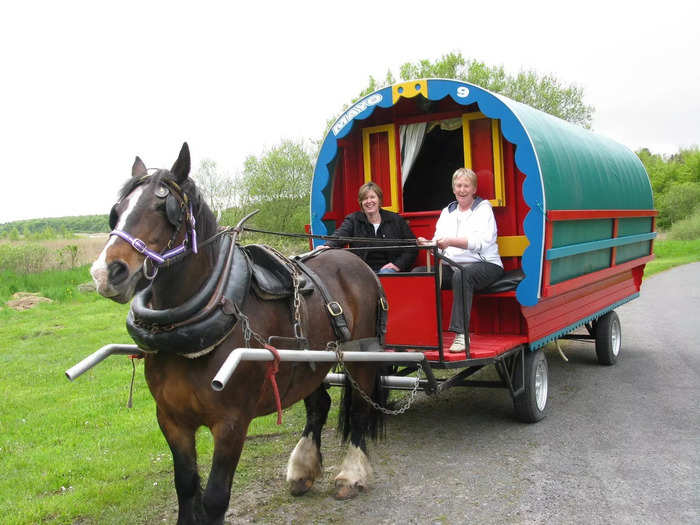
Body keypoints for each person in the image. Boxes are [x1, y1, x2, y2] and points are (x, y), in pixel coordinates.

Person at [417, 168, 503, 352]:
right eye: (458, 185)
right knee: (420, 274)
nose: (462, 190)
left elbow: (481, 242)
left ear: (474, 189)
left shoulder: (483, 209)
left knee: (462, 276)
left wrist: (450, 242)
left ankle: (461, 335)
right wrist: (429, 244)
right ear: (453, 188)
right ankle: (423, 331)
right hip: (452, 266)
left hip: (486, 265)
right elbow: (439, 242)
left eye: (466, 186)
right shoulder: (447, 212)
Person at [325, 181, 417, 273]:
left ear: (379, 200)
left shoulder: (396, 220)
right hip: (362, 270)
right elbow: (339, 236)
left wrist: (398, 265)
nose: (369, 201)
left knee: (386, 274)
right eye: (365, 198)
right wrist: (327, 246)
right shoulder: (353, 220)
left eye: (372, 197)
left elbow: (412, 246)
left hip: (388, 270)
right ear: (361, 202)